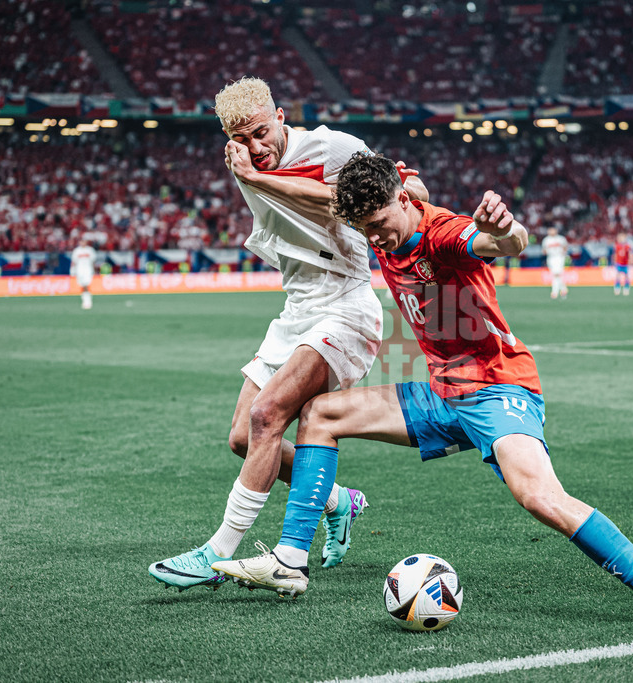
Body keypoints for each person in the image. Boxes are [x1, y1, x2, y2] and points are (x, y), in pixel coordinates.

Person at [213, 153, 633, 641]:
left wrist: (506, 229)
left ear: (401, 201)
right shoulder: (388, 215)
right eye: (364, 229)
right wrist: (256, 177)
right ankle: (290, 562)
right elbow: (340, 196)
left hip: (497, 387)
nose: (374, 237)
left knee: (539, 496)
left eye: (379, 224)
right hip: (442, 392)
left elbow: (503, 242)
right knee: (320, 414)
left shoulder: (443, 234)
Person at [148, 78, 429, 591]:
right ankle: (338, 501)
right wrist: (250, 172)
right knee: (243, 438)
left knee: (267, 415)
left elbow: (398, 194)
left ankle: (216, 554)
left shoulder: (332, 148)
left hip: (346, 306)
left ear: (281, 117)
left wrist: (257, 178)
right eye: (242, 139)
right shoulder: (243, 161)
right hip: (296, 311)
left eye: (262, 132)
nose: (256, 147)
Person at [541, 227, 569, 299]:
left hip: (559, 257)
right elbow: (544, 250)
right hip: (551, 258)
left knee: (556, 274)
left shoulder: (561, 239)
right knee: (556, 275)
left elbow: (565, 247)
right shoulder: (546, 240)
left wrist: (563, 253)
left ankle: (554, 292)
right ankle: (564, 289)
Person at [70, 238, 97, 310]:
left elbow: (93, 261)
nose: (82, 243)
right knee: (82, 285)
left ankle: (87, 301)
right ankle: (85, 300)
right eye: (81, 241)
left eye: (84, 241)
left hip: (88, 270)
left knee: (86, 285)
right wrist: (72, 270)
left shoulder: (90, 250)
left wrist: (94, 270)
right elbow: (74, 261)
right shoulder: (76, 251)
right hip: (79, 270)